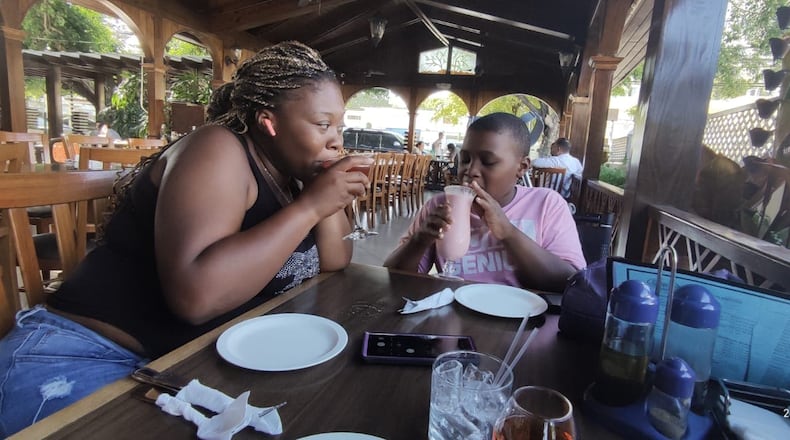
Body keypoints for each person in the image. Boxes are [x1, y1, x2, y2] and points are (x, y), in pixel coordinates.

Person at [0, 41, 371, 437]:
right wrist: (311, 207)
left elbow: (335, 259)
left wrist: (321, 194)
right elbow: (196, 299)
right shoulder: (217, 148)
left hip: (171, 366)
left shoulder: (291, 172)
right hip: (80, 355)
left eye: (339, 127)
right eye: (322, 124)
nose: (336, 140)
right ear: (269, 122)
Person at [384, 113, 586, 291]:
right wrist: (420, 240)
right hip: (455, 321)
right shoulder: (439, 206)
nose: (470, 171)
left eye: (488, 162)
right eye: (464, 160)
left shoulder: (546, 204)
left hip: (524, 325)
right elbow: (394, 277)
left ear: (522, 167)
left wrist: (508, 232)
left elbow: (571, 281)